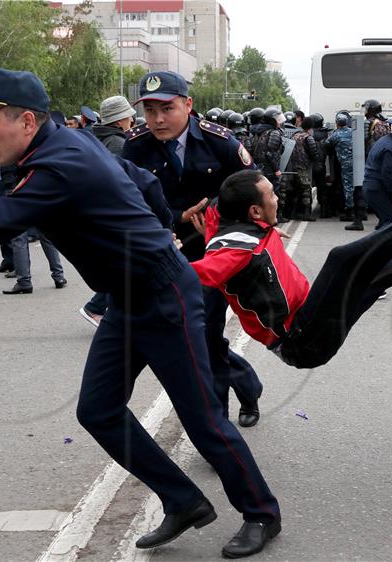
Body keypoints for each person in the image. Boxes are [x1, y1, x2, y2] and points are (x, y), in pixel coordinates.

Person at [0, 67, 281, 558]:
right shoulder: (67, 143)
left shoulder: (58, 164)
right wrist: (158, 230)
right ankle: (182, 500)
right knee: (97, 410)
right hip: (128, 298)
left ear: (26, 121)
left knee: (202, 419)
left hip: (162, 295)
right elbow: (142, 180)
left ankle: (262, 514)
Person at [191, 168, 392, 368]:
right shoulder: (234, 251)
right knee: (341, 260)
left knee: (375, 277)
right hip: (300, 340)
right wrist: (162, 253)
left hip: (311, 322)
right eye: (272, 195)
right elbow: (190, 275)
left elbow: (216, 209)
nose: (278, 199)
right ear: (255, 211)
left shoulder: (236, 215)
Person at [122, 71, 265, 428]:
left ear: (188, 105)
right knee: (186, 338)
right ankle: (247, 383)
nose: (157, 119)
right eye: (150, 110)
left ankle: (218, 426)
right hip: (163, 253)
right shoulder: (136, 146)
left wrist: (218, 218)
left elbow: (257, 193)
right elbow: (125, 200)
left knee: (204, 334)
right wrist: (174, 217)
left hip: (214, 256)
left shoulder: (222, 144)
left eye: (166, 109)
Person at [78, 94, 138, 326]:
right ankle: (95, 308)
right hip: (114, 214)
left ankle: (108, 309)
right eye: (129, 117)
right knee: (126, 264)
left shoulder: (95, 138)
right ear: (119, 120)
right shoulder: (119, 144)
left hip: (96, 213)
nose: (132, 122)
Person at [327, 112, 363, 230]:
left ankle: (350, 212)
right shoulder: (352, 131)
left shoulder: (336, 135)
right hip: (358, 162)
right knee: (358, 186)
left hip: (346, 164)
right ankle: (360, 211)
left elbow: (327, 144)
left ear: (337, 123)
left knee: (348, 187)